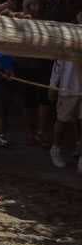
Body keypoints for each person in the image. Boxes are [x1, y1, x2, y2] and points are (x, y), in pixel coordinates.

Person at [13, 0, 53, 147]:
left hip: (43, 64)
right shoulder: (20, 20)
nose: (36, 7)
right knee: (28, 100)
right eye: (32, 4)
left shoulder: (46, 21)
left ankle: (41, 132)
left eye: (37, 4)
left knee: (44, 99)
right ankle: (30, 132)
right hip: (25, 65)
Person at [49, 12, 82, 172]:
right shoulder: (68, 38)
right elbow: (58, 65)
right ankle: (55, 149)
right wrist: (53, 85)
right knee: (62, 121)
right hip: (68, 88)